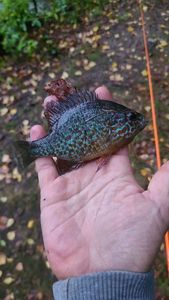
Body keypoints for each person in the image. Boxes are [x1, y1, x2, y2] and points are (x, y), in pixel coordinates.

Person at [30, 86, 169, 300]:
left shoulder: (109, 123)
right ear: (114, 124)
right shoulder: (107, 120)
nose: (137, 121)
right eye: (131, 119)